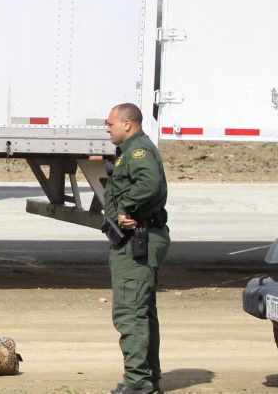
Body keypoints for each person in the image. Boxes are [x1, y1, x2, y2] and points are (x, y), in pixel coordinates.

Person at [103, 103, 170, 394]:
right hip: (137, 239)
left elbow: (150, 183)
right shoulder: (130, 151)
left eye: (111, 123)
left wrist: (126, 207)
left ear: (127, 124)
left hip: (138, 241)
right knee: (141, 311)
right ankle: (147, 378)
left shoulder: (138, 150)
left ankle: (138, 382)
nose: (107, 128)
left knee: (130, 311)